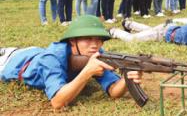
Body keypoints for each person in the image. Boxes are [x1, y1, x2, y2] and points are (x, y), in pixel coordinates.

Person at [0, 15, 142, 109]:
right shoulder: (52, 58)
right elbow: (57, 103)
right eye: (88, 38)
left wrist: (126, 79)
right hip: (11, 60)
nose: (95, 44)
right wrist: (86, 72)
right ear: (72, 41)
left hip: (36, 51)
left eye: (99, 39)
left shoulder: (95, 53)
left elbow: (113, 91)